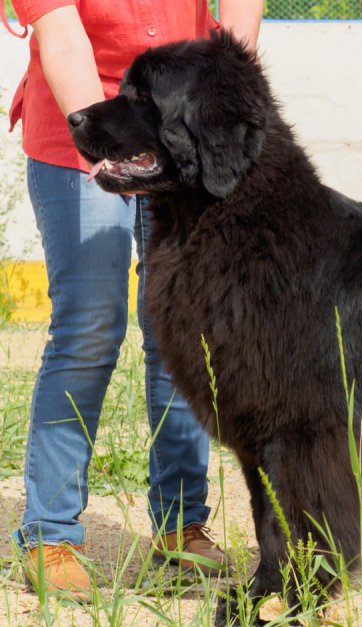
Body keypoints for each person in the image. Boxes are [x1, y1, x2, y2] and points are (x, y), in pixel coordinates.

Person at [1, 0, 264, 600]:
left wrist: (232, 94)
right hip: (86, 123)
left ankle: (180, 521)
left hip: (179, 124)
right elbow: (62, 40)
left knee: (179, 329)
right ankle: (50, 532)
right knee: (90, 325)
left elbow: (241, 12)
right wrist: (106, 145)